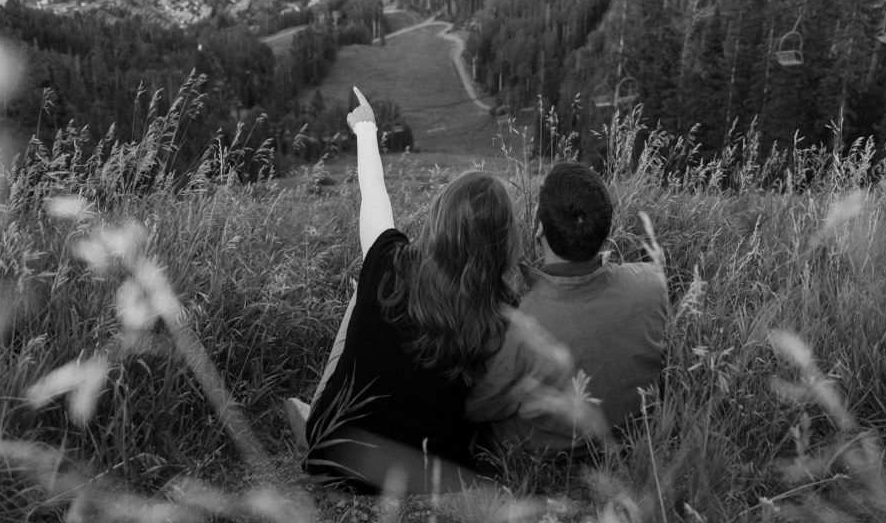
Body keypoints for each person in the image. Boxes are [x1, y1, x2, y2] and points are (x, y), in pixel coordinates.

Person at [285, 87, 520, 494]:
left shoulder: (391, 261)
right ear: (501, 244)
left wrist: (366, 129)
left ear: (439, 221)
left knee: (369, 279)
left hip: (335, 452)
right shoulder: (501, 314)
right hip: (426, 472)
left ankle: (314, 425)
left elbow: (373, 196)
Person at [466, 161, 670, 453]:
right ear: (605, 228)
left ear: (538, 229)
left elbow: (478, 408)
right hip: (633, 438)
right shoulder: (651, 283)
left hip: (547, 453)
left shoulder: (521, 325)